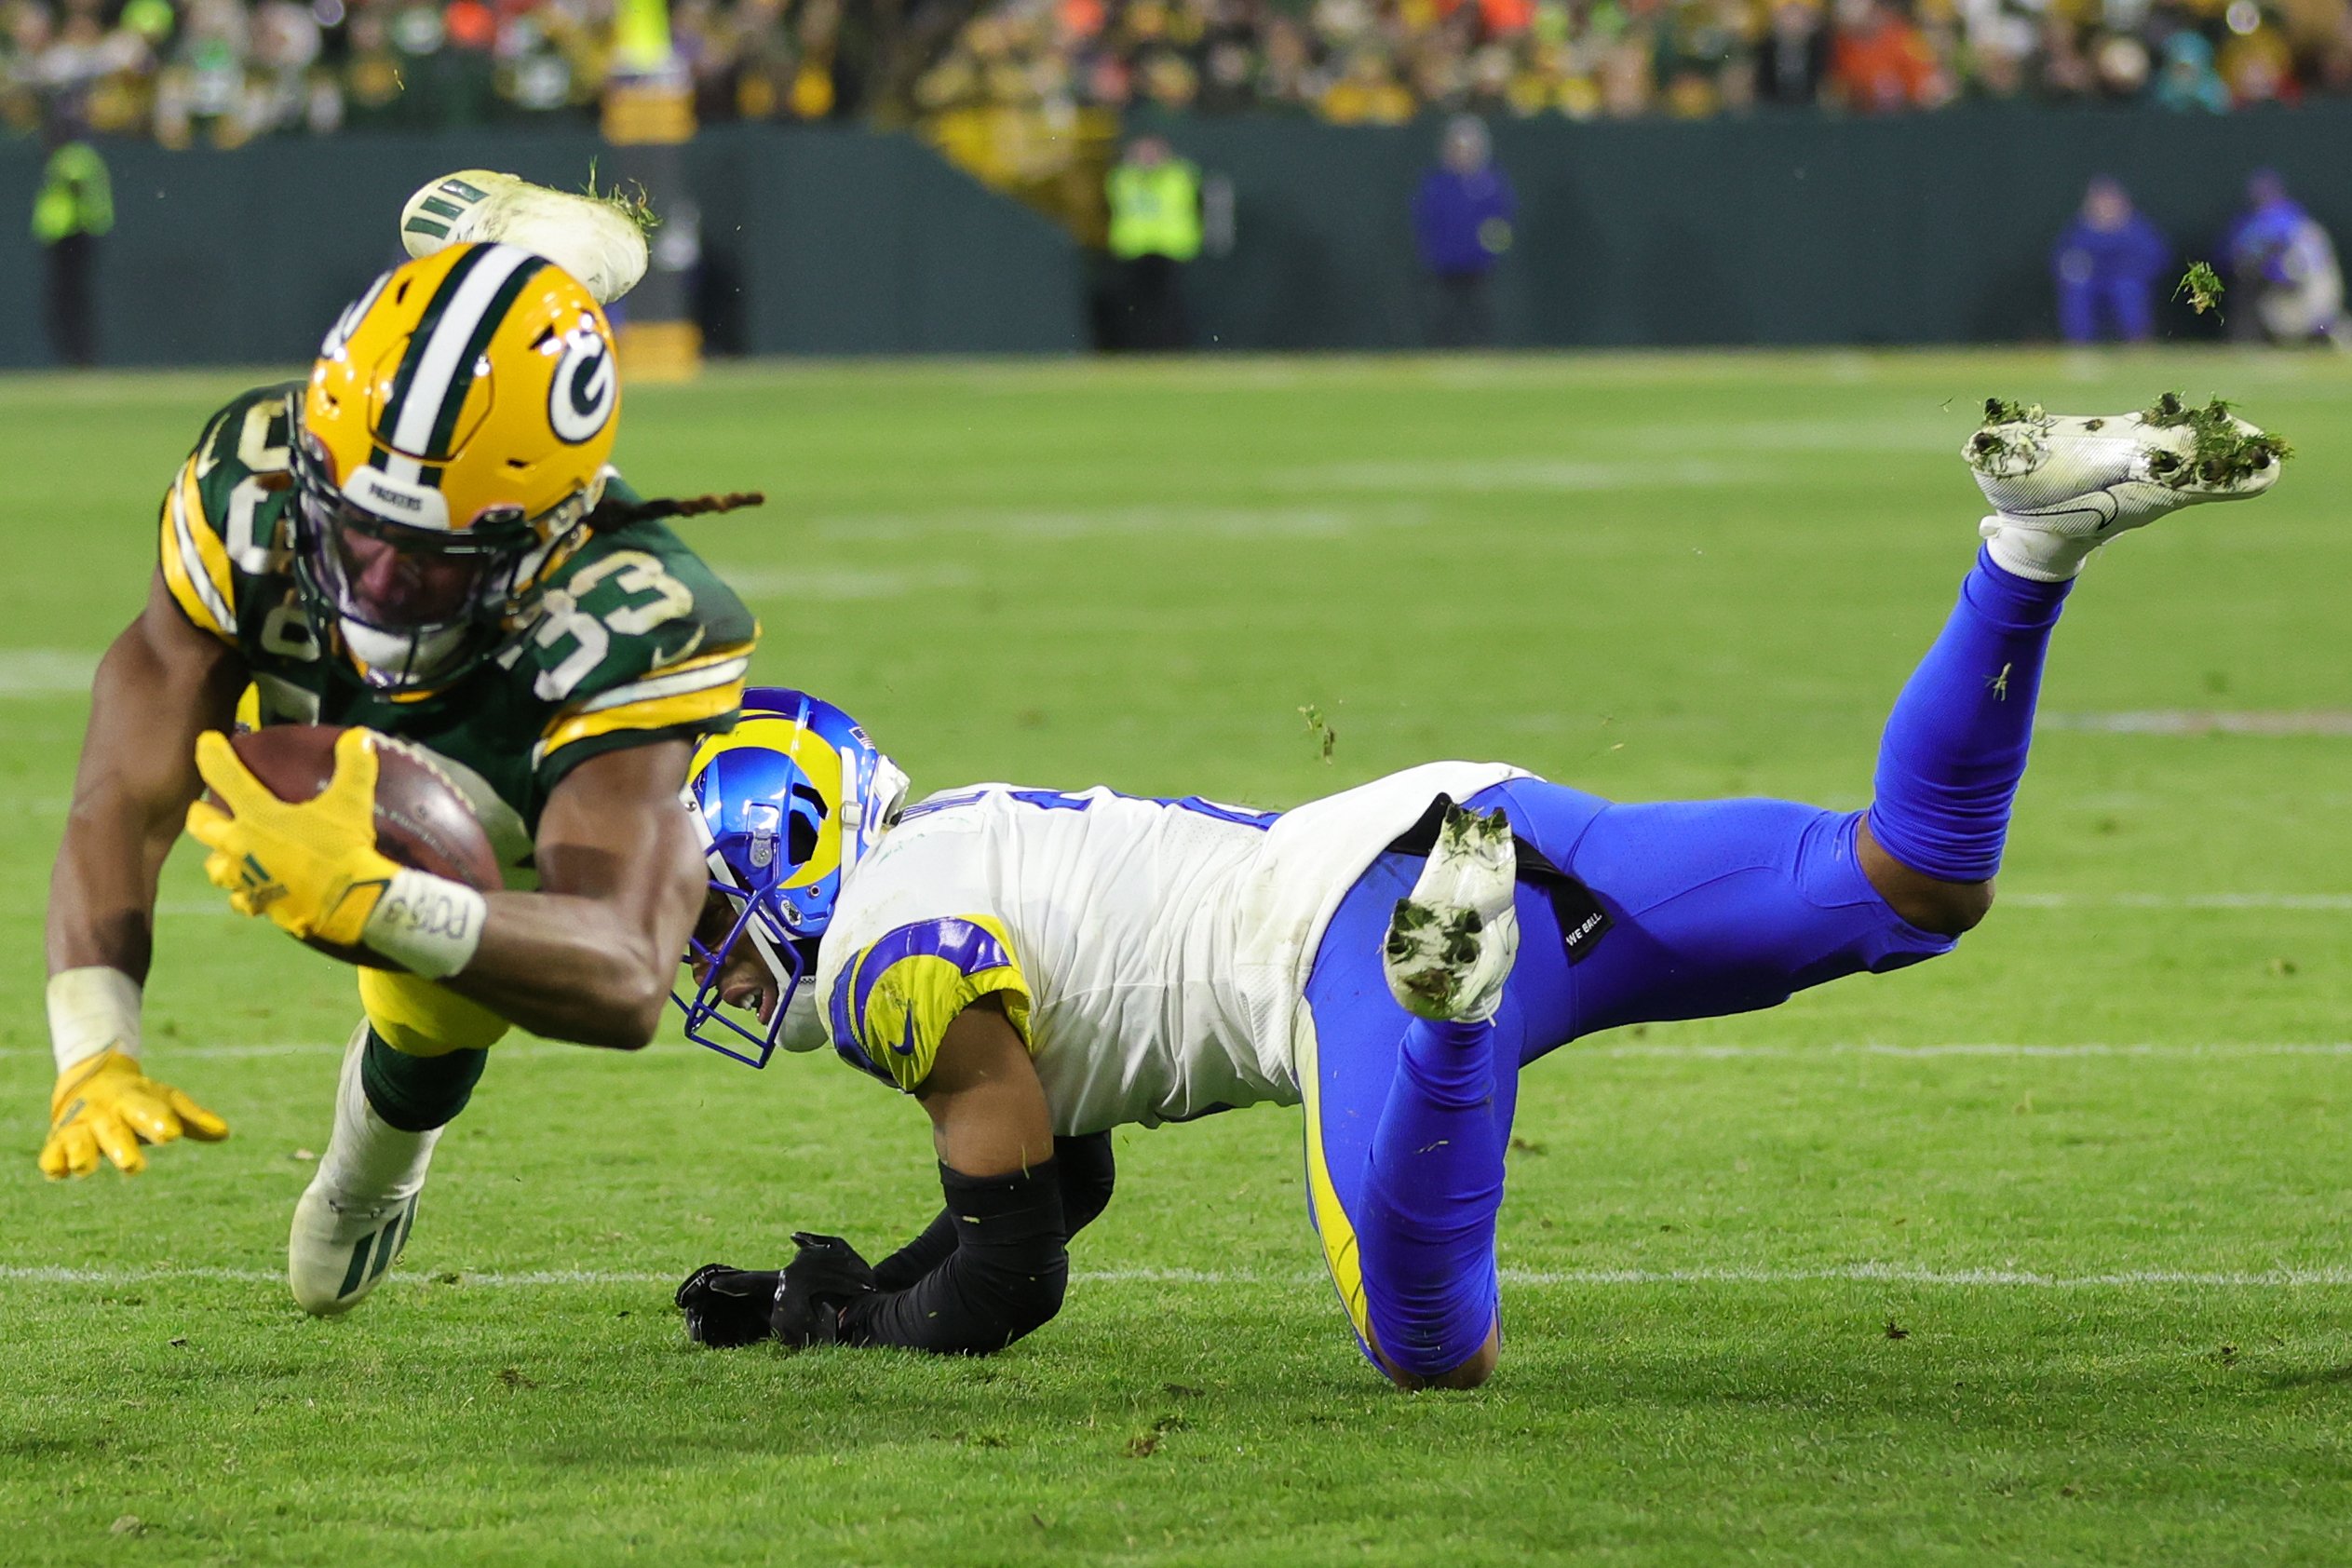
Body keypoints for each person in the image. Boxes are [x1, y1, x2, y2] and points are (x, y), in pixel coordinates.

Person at [672, 397, 2285, 1386]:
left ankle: (1450, 1022)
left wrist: (853, 1334)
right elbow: (1053, 1175)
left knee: (1427, 1343)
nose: (717, 967)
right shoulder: (950, 841)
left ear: (786, 846)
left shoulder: (895, 959)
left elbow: (1016, 1267)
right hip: (1464, 813)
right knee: (1909, 880)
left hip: (1346, 941)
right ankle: (2028, 549)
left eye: (709, 919)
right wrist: (840, 1293)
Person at [39, 189, 761, 1319]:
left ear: (547, 533)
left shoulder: (638, 614)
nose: (371, 584)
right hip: (370, 666)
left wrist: (387, 903)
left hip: (500, 772)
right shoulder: (255, 484)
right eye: (353, 532)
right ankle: (538, 253)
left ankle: (383, 1152)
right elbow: (123, 791)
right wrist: (94, 1042)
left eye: (423, 562)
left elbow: (626, 971)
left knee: (458, 940)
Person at [1412, 115, 1516, 349]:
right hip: (1443, 265)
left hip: (1480, 265)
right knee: (1442, 315)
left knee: (1480, 314)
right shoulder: (1436, 184)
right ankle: (1440, 353)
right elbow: (1426, 221)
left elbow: (1501, 222)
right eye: (1458, 147)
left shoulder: (1491, 183)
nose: (1463, 153)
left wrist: (1492, 252)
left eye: (1469, 148)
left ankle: (1482, 352)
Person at [2223, 169, 2347, 346]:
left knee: (2321, 317)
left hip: (2313, 277)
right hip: (2281, 284)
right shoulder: (2250, 220)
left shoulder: (2291, 217)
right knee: (2279, 320)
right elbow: (2234, 254)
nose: (2263, 199)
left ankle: (2341, 338)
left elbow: (2297, 256)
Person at [1102, 133, 1201, 352]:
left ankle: (1172, 349)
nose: (1148, 158)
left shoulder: (1178, 176)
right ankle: (1136, 349)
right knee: (1135, 307)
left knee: (1169, 307)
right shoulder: (1123, 177)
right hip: (1134, 248)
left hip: (1171, 248)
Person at [32, 107, 112, 368]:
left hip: (72, 235)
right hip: (70, 235)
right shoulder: (76, 155)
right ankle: (77, 355)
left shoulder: (73, 156)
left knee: (70, 300)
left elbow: (75, 185)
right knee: (70, 300)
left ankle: (79, 356)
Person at [2051, 176, 2170, 345]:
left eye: (2109, 200)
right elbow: (2063, 260)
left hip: (2125, 281)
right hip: (2092, 283)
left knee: (2128, 290)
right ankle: (2080, 345)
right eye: (2099, 201)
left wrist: (2131, 271)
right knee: (2078, 290)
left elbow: (2157, 257)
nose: (2105, 206)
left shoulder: (2137, 230)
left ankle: (2137, 343)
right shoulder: (2080, 230)